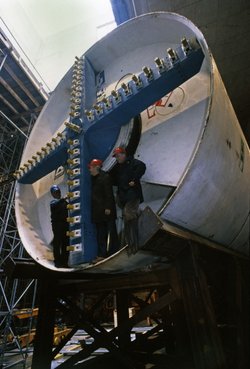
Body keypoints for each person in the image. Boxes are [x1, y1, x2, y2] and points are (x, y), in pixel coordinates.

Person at [112, 147, 146, 254]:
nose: (117, 158)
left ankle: (134, 245)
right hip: (124, 197)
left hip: (132, 195)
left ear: (123, 154)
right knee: (128, 217)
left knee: (128, 214)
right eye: (116, 157)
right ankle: (131, 245)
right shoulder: (118, 167)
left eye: (118, 156)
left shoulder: (132, 162)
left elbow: (142, 166)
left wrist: (134, 179)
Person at [88, 159, 119, 261]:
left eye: (91, 168)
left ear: (97, 167)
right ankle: (102, 255)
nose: (90, 170)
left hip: (106, 212)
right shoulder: (93, 179)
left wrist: (108, 207)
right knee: (101, 235)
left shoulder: (105, 177)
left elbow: (108, 194)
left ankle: (114, 253)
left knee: (111, 232)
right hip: (98, 212)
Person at [50, 185, 69, 267]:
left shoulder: (64, 202)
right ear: (53, 194)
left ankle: (64, 262)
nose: (58, 193)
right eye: (56, 192)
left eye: (58, 192)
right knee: (57, 243)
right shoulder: (53, 202)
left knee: (65, 243)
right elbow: (55, 204)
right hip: (57, 225)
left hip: (65, 224)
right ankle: (57, 262)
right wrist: (64, 199)